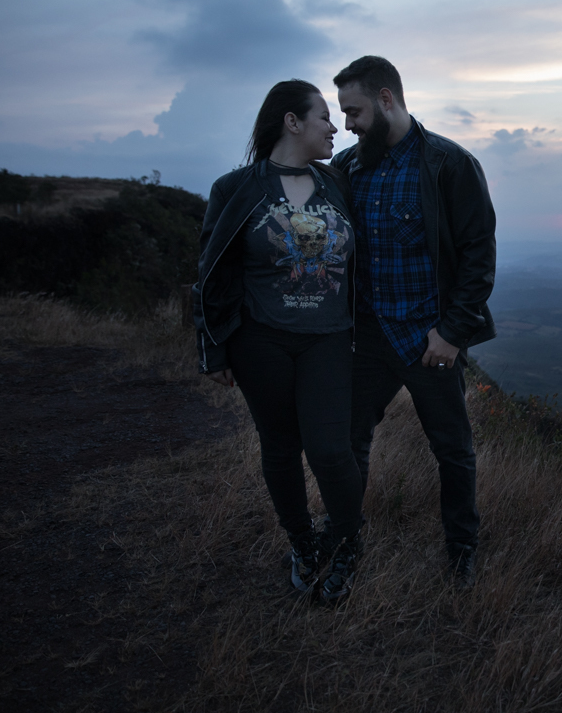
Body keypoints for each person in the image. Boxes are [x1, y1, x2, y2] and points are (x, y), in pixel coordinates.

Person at [192, 79, 362, 604]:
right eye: (323, 117)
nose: (333, 128)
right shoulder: (236, 188)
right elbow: (211, 272)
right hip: (260, 342)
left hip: (328, 340)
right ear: (292, 122)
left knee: (331, 450)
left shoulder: (339, 184)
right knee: (282, 447)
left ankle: (347, 543)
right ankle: (302, 542)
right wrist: (214, 348)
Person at [330, 56, 497, 587]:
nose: (348, 125)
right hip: (366, 336)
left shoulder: (449, 163)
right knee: (349, 443)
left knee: (453, 450)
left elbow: (478, 256)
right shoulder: (347, 167)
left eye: (354, 111)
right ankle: (344, 542)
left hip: (429, 339)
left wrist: (452, 333)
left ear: (386, 99)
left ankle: (461, 552)